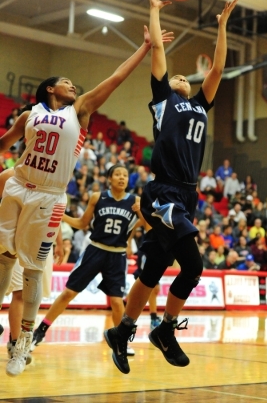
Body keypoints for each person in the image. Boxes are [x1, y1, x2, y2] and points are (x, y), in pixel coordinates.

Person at [0, 24, 174, 377]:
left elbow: (115, 78)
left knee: (32, 270)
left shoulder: (78, 111)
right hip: (17, 186)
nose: (72, 85)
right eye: (65, 81)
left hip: (49, 196)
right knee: (3, 261)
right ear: (49, 89)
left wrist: (144, 48)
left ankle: (23, 344)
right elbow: (3, 145)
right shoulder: (28, 115)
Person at [104, 0, 238, 374]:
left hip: (188, 195)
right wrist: (153, 8)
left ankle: (122, 329)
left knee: (153, 269)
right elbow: (159, 52)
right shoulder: (163, 98)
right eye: (175, 75)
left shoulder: (200, 103)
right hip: (163, 192)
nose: (179, 76)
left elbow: (217, 68)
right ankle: (164, 330)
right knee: (193, 266)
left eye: (184, 75)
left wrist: (223, 25)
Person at [32, 164, 143, 356]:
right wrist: (61, 217)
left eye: (125, 175)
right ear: (109, 179)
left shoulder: (135, 201)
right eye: (117, 174)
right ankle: (39, 331)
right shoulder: (97, 197)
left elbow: (150, 226)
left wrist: (141, 212)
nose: (121, 178)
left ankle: (120, 341)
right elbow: (82, 223)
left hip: (117, 255)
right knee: (68, 293)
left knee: (117, 302)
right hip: (95, 250)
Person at [0, 168, 64, 363]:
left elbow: (55, 212)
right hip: (15, 241)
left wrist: (59, 242)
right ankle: (16, 344)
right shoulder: (8, 176)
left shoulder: (53, 177)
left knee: (27, 294)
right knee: (20, 292)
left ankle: (17, 343)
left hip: (39, 240)